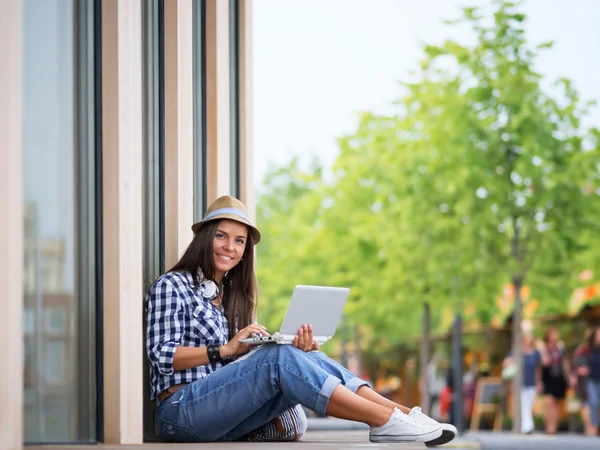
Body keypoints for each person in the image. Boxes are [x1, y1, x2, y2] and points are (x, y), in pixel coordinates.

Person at [145, 195, 457, 444]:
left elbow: (233, 373)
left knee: (301, 355)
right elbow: (162, 356)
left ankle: (404, 415)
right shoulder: (173, 285)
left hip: (219, 414)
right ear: (205, 238)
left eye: (240, 241)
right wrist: (225, 350)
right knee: (279, 359)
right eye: (222, 236)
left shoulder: (231, 298)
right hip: (180, 412)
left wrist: (284, 352)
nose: (230, 246)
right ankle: (383, 422)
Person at [502, 333, 542, 434]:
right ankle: (527, 427)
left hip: (532, 383)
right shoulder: (516, 352)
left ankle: (527, 426)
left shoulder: (535, 353)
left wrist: (539, 382)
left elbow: (538, 369)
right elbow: (505, 363)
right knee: (523, 405)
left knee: (529, 405)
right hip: (520, 383)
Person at [537, 327, 570, 434]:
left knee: (557, 404)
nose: (555, 336)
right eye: (552, 334)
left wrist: (569, 377)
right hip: (548, 378)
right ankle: (549, 427)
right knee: (548, 402)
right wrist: (539, 382)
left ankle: (554, 427)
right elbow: (543, 364)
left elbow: (565, 363)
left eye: (556, 333)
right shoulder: (544, 348)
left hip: (559, 378)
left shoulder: (560, 348)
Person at [572, 327, 594, 435]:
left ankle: (593, 428)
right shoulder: (581, 350)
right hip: (584, 382)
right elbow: (575, 366)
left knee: (594, 404)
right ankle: (589, 428)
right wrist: (579, 371)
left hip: (594, 379)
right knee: (586, 404)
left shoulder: (595, 350)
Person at [582, 326, 600, 436]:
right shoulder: (588, 349)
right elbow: (581, 361)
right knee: (593, 402)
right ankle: (594, 426)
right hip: (592, 380)